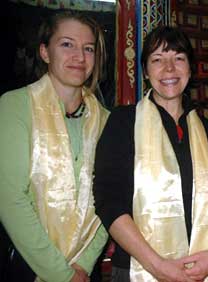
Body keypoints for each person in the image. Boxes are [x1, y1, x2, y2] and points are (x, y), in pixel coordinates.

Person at [93, 25, 208, 282]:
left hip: (205, 266)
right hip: (136, 269)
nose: (169, 69)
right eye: (157, 60)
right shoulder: (123, 122)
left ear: (190, 69)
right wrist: (158, 266)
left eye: (178, 58)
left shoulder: (207, 129)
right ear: (146, 71)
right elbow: (108, 200)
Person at [0, 11, 109, 282]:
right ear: (45, 52)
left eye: (88, 48)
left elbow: (110, 198)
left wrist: (84, 264)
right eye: (67, 44)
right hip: (29, 268)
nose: (80, 57)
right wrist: (61, 274)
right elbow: (11, 199)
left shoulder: (106, 120)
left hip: (86, 270)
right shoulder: (15, 106)